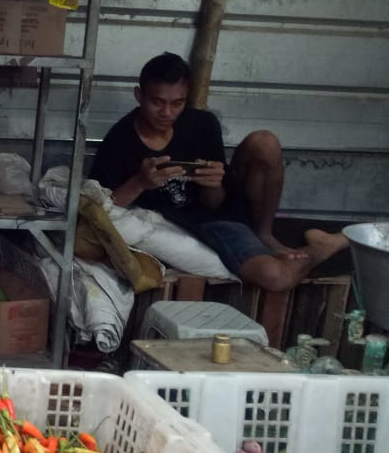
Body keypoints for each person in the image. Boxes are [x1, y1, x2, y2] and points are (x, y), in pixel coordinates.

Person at [89, 52, 348, 292]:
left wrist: (213, 184)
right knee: (275, 276)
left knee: (265, 142)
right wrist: (140, 182)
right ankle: (322, 248)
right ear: (139, 95)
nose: (167, 113)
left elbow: (215, 204)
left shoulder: (201, 124)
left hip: (214, 218)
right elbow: (99, 208)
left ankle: (265, 234)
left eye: (177, 103)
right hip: (172, 226)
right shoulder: (120, 139)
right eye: (157, 102)